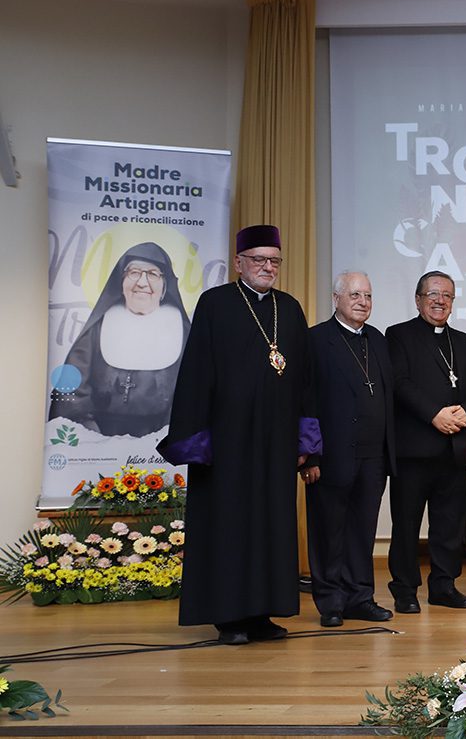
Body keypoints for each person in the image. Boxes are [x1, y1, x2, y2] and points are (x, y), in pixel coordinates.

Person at [158, 224, 320, 645]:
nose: (268, 267)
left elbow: (305, 381)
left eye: (274, 261)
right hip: (227, 442)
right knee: (230, 525)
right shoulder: (216, 304)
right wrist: (196, 439)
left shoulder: (290, 309)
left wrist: (306, 441)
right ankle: (229, 617)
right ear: (238, 263)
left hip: (275, 442)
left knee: (271, 526)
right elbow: (196, 373)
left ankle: (263, 613)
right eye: (259, 260)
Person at [385, 271, 466, 613]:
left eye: (446, 295)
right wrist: (434, 414)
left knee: (449, 525)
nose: (439, 301)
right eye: (432, 294)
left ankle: (444, 585)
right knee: (406, 525)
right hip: (413, 450)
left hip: (454, 450)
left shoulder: (465, 343)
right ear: (418, 299)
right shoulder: (398, 335)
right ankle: (405, 589)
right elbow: (399, 383)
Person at [302, 271, 397, 627]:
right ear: (336, 298)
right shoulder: (315, 340)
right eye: (355, 295)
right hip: (330, 456)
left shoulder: (377, 339)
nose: (363, 302)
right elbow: (305, 400)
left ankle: (360, 598)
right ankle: (331, 602)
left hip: (373, 456)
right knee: (328, 531)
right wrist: (309, 455)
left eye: (368, 296)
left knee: (362, 531)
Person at [49, 241, 191, 437]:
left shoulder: (184, 332)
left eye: (153, 274)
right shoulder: (98, 327)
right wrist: (91, 436)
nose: (142, 282)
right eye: (134, 272)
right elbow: (71, 388)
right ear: (121, 281)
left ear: (165, 285)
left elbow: (192, 394)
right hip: (98, 439)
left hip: (160, 441)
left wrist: (164, 437)